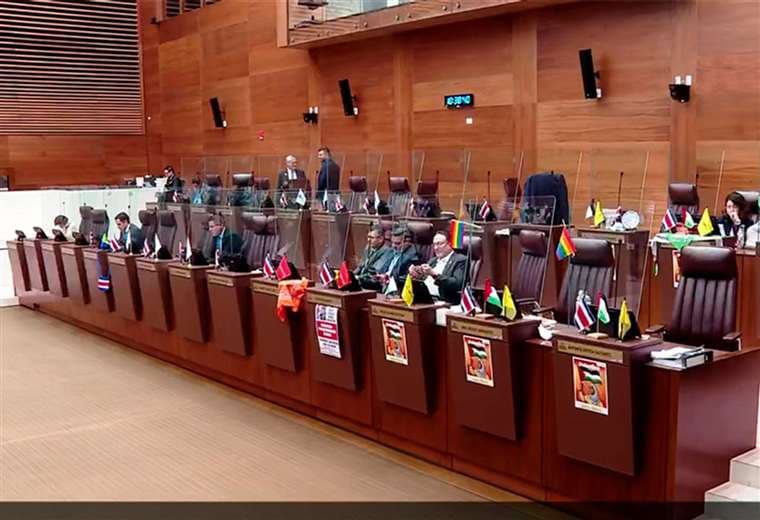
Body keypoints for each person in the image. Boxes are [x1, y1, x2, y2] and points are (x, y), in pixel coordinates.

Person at [409, 231, 468, 305]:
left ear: (449, 244)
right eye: (434, 244)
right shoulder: (433, 260)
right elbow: (425, 279)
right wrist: (416, 274)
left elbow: (457, 284)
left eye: (439, 244)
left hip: (444, 302)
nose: (435, 248)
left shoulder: (460, 260)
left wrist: (434, 274)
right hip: (425, 299)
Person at [377, 227, 419, 292]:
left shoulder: (412, 257)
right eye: (392, 242)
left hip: (396, 290)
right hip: (381, 286)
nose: (393, 246)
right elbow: (379, 268)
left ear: (408, 242)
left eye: (397, 243)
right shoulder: (391, 251)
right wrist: (379, 275)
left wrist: (387, 278)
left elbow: (403, 278)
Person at [355, 225, 394, 290]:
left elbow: (375, 272)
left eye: (371, 237)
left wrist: (358, 278)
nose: (368, 240)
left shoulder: (388, 252)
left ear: (380, 239)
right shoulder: (368, 248)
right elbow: (360, 266)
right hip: (362, 282)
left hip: (374, 285)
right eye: (368, 237)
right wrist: (352, 275)